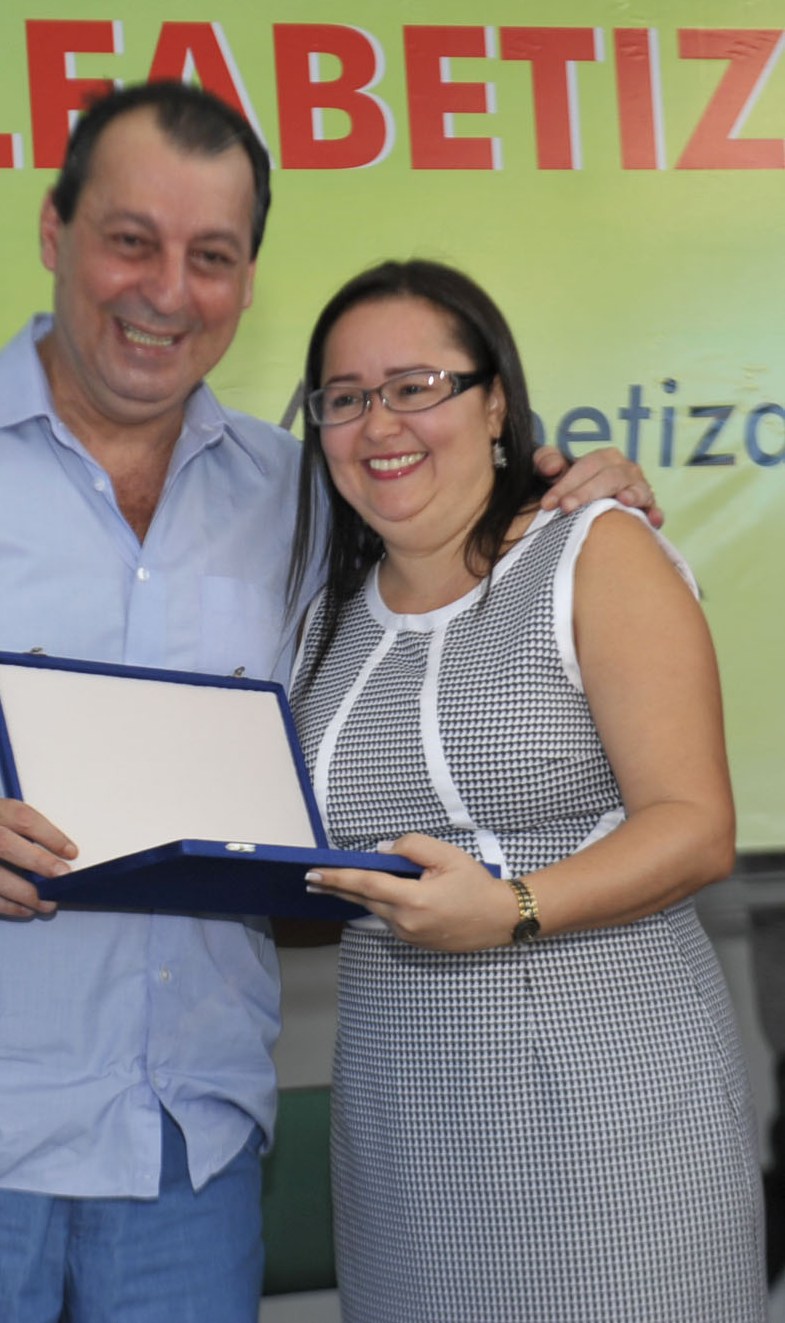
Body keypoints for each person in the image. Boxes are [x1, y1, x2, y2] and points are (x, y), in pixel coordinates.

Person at [0, 85, 655, 1323]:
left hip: (190, 1158)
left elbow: (452, 553)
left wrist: (566, 493)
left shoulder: (304, 496)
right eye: (131, 240)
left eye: (212, 257)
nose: (166, 290)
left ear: (246, 280)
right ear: (54, 231)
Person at [288, 258, 766, 1322]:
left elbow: (694, 830)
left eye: (418, 386)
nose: (380, 424)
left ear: (494, 398)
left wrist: (512, 911)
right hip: (404, 1129)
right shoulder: (324, 619)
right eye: (346, 398)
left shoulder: (593, 553)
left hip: (615, 1115)